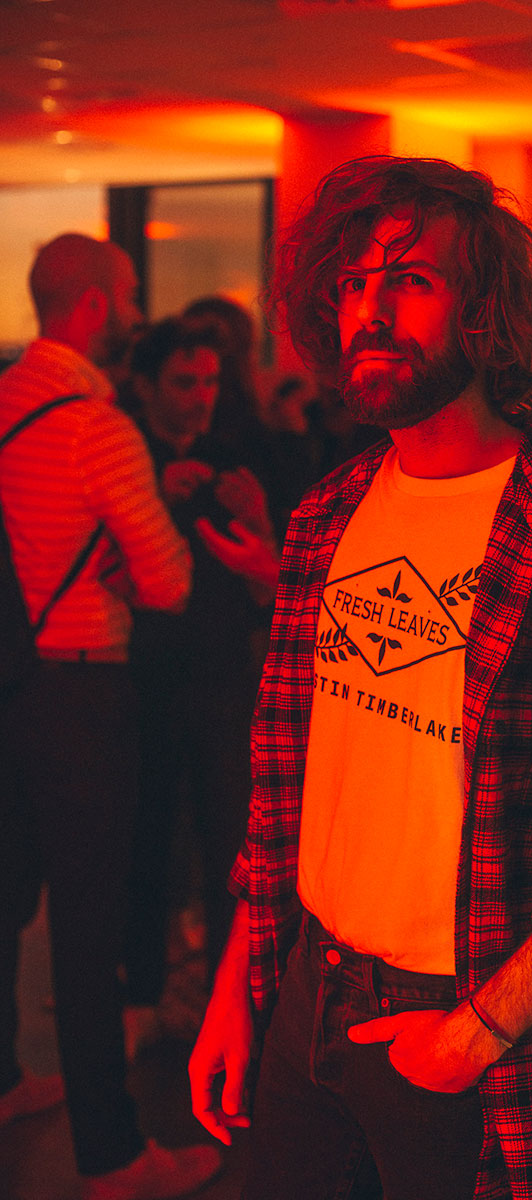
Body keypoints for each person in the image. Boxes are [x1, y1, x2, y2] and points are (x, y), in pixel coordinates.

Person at [189, 156, 532, 1200]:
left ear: (485, 313)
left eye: (409, 280)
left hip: (457, 1016)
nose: (369, 313)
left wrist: (473, 1033)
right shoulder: (326, 514)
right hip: (304, 984)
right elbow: (285, 781)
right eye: (351, 283)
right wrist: (235, 987)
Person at [0, 234, 221, 1200]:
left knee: (6, 897)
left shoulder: (6, 399)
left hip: (9, 680)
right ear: (92, 305)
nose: (136, 310)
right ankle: (113, 1154)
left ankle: (4, 1078)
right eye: (128, 294)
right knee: (89, 928)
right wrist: (136, 546)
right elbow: (169, 580)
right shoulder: (98, 427)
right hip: (83, 692)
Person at [123, 317, 278, 1056]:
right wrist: (151, 498)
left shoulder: (236, 461)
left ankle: (230, 999)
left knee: (229, 845)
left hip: (221, 678)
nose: (201, 396)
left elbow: (270, 591)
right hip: (146, 678)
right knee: (147, 838)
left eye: (211, 381)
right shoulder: (127, 458)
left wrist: (260, 521)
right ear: (147, 386)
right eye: (185, 382)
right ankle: (141, 993)